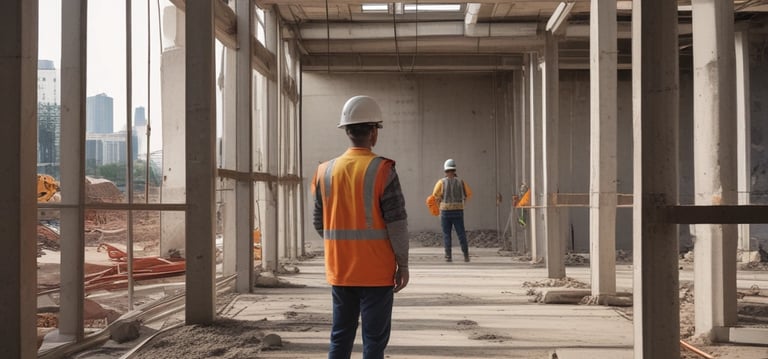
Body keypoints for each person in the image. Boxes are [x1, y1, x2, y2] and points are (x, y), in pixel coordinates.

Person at [311, 95, 410, 359]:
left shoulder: (325, 171)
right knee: (374, 342)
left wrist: (344, 244)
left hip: (341, 270)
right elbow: (397, 224)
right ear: (374, 133)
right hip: (376, 273)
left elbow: (319, 223)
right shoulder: (383, 170)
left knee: (340, 336)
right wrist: (403, 264)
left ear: (347, 131)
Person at [432, 159, 472, 262]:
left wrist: (439, 204)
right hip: (458, 211)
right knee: (461, 233)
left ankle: (448, 256)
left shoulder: (441, 182)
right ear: (454, 169)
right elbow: (469, 193)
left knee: (447, 234)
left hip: (445, 211)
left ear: (445, 170)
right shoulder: (461, 182)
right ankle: (466, 255)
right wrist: (463, 203)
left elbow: (435, 195)